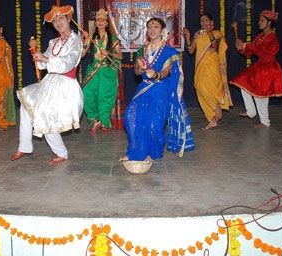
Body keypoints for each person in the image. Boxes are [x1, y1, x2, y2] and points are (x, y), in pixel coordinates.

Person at [11, 5, 83, 164]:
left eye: (61, 18)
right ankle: (25, 146)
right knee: (27, 105)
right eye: (54, 20)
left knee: (45, 115)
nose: (58, 22)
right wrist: (39, 57)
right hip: (50, 82)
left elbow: (68, 63)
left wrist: (45, 60)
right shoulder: (54, 42)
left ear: (68, 19)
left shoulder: (75, 40)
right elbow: (44, 64)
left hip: (65, 84)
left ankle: (61, 152)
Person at [122, 17, 195, 161]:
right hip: (144, 87)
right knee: (131, 115)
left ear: (162, 31)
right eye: (149, 27)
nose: (152, 30)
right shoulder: (142, 50)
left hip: (161, 89)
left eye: (155, 27)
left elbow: (165, 73)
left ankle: (152, 151)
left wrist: (155, 74)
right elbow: (137, 73)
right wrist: (139, 66)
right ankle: (136, 151)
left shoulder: (169, 51)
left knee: (153, 120)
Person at [230, 9, 282, 128]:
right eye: (259, 21)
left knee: (262, 96)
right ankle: (251, 111)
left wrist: (245, 44)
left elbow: (262, 50)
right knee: (243, 83)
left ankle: (265, 122)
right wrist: (241, 48)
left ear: (269, 23)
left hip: (268, 68)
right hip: (259, 67)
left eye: (262, 21)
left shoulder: (272, 38)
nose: (259, 23)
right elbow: (249, 52)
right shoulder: (259, 37)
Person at [183, 13, 232, 130]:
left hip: (212, 65)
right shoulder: (198, 35)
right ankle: (212, 117)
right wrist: (187, 37)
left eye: (206, 20)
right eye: (201, 21)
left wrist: (209, 31)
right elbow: (190, 50)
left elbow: (214, 47)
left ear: (211, 22)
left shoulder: (217, 33)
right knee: (199, 88)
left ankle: (215, 109)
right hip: (200, 65)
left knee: (210, 88)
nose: (203, 23)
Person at [81, 9, 123, 133]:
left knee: (104, 96)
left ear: (106, 23)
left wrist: (109, 52)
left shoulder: (112, 38)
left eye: (103, 20)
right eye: (98, 20)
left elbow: (120, 56)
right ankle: (94, 119)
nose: (100, 22)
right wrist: (86, 41)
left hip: (107, 70)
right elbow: (82, 55)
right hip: (94, 69)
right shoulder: (91, 38)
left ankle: (104, 121)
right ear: (95, 22)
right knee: (87, 93)